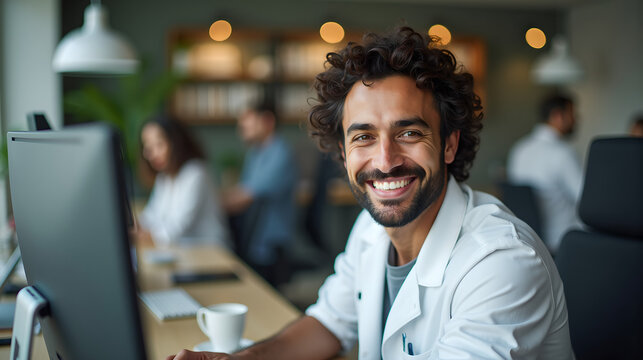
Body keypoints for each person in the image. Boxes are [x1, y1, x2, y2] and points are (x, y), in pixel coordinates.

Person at [168, 27, 573, 360]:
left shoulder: (502, 261)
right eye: (364, 137)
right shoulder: (369, 228)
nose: (385, 160)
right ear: (343, 153)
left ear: (449, 144)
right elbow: (329, 323)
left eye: (409, 133)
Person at [222, 102, 298, 285]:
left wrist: (205, 204)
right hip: (253, 235)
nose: (242, 128)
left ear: (267, 121)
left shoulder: (280, 154)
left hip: (270, 245)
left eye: (248, 123)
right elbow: (240, 190)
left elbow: (244, 198)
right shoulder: (255, 153)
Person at [136, 116, 230, 248]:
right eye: (148, 147)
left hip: (209, 251)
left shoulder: (196, 173)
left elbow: (179, 227)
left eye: (159, 145)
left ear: (175, 143)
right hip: (182, 250)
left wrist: (147, 235)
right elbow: (153, 213)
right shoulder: (164, 177)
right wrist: (137, 225)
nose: (152, 154)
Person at [507, 94, 584, 253]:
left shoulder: (519, 149)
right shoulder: (562, 153)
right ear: (557, 116)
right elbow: (586, 200)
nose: (576, 120)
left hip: (528, 240)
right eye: (572, 114)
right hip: (562, 243)